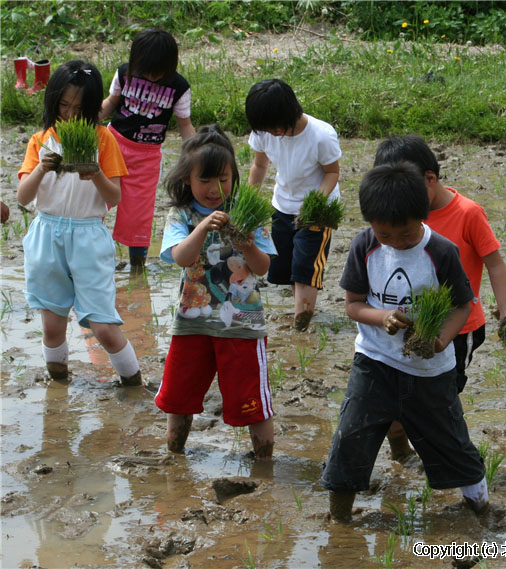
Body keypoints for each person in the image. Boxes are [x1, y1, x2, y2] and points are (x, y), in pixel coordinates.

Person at [320, 162, 488, 522]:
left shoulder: (441, 251)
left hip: (430, 371)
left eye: (406, 235)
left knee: (451, 442)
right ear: (370, 224)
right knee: (351, 437)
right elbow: (353, 304)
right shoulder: (364, 245)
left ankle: (480, 505)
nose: (396, 242)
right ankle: (339, 519)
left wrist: (441, 340)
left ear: (422, 217)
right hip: (374, 360)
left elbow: (462, 305)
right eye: (385, 235)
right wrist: (381, 317)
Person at [373, 134, 506, 461]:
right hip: (407, 325)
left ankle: (451, 460)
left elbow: (494, 263)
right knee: (394, 399)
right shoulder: (402, 217)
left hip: (456, 330)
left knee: (437, 399)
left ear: (429, 179)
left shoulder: (468, 213)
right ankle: (400, 455)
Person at [155, 125, 277, 460]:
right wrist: (200, 228)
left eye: (222, 179)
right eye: (204, 180)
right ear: (186, 181)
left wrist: (247, 245)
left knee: (253, 401)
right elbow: (182, 257)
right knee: (178, 398)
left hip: (242, 324)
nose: (214, 189)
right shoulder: (180, 214)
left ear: (234, 177)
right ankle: (174, 455)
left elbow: (263, 266)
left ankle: (264, 462)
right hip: (192, 322)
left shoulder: (248, 212)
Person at [17, 60, 141, 385]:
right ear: (53, 101)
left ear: (91, 106)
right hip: (47, 235)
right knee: (52, 326)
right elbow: (22, 196)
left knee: (103, 328)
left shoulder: (103, 140)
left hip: (87, 237)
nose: (70, 113)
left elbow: (114, 197)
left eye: (78, 106)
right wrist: (42, 168)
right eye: (64, 105)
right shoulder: (41, 139)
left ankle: (134, 384)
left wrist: (95, 172)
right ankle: (58, 386)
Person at [245, 79, 341, 331]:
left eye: (277, 126)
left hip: (316, 212)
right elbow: (259, 165)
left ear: (291, 112)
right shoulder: (265, 133)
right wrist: (248, 200)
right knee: (288, 266)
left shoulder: (321, 135)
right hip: (282, 206)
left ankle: (300, 325)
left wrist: (314, 203)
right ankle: (303, 313)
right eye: (266, 128)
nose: (273, 133)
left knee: (305, 268)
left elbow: (332, 172)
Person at [99, 28, 195, 271]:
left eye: (159, 74)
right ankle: (89, 252)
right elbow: (110, 104)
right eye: (147, 72)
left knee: (138, 213)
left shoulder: (179, 88)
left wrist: (196, 156)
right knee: (96, 199)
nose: (152, 77)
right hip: (113, 144)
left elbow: (184, 125)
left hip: (147, 156)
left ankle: (137, 266)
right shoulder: (124, 73)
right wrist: (83, 121)